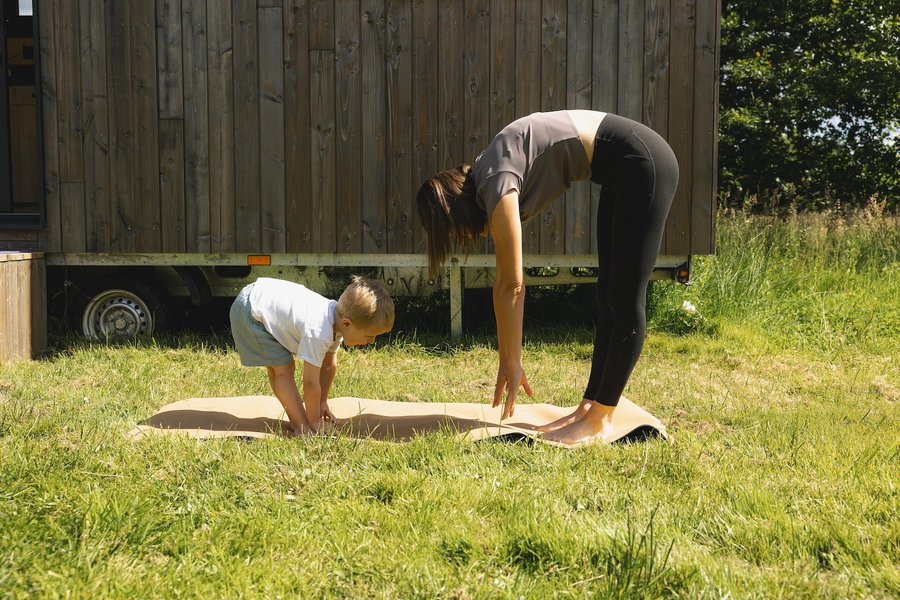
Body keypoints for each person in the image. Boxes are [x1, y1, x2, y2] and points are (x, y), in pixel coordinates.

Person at [415, 110, 678, 445]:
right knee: (608, 295)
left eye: (454, 232)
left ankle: (600, 419)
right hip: (621, 170)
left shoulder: (496, 181)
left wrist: (513, 361)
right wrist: (506, 358)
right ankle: (590, 407)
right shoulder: (487, 175)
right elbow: (502, 286)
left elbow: (512, 284)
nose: (463, 239)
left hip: (644, 162)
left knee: (625, 298)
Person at [229, 276, 394, 436]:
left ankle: (302, 422)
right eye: (369, 336)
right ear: (347, 324)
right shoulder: (319, 332)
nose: (372, 341)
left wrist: (322, 402)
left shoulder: (336, 321)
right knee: (283, 370)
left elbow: (328, 365)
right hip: (250, 310)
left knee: (281, 368)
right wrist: (314, 420)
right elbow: (310, 382)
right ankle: (301, 426)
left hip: (261, 297)